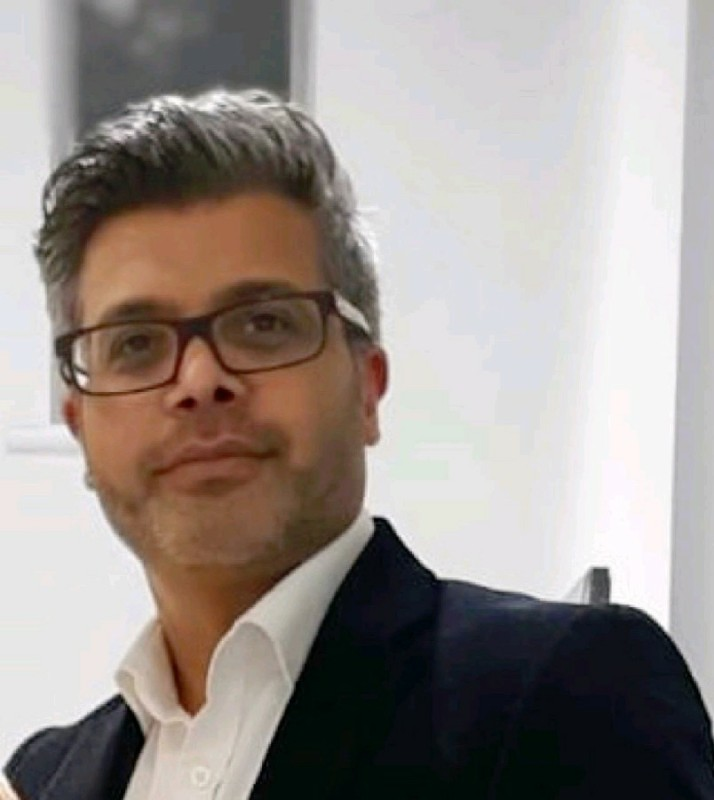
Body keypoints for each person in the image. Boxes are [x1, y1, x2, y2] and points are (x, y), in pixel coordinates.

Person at [4, 87, 714, 800]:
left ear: (367, 388)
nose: (199, 380)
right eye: (135, 343)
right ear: (79, 424)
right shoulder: (44, 779)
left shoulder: (570, 690)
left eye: (263, 324)